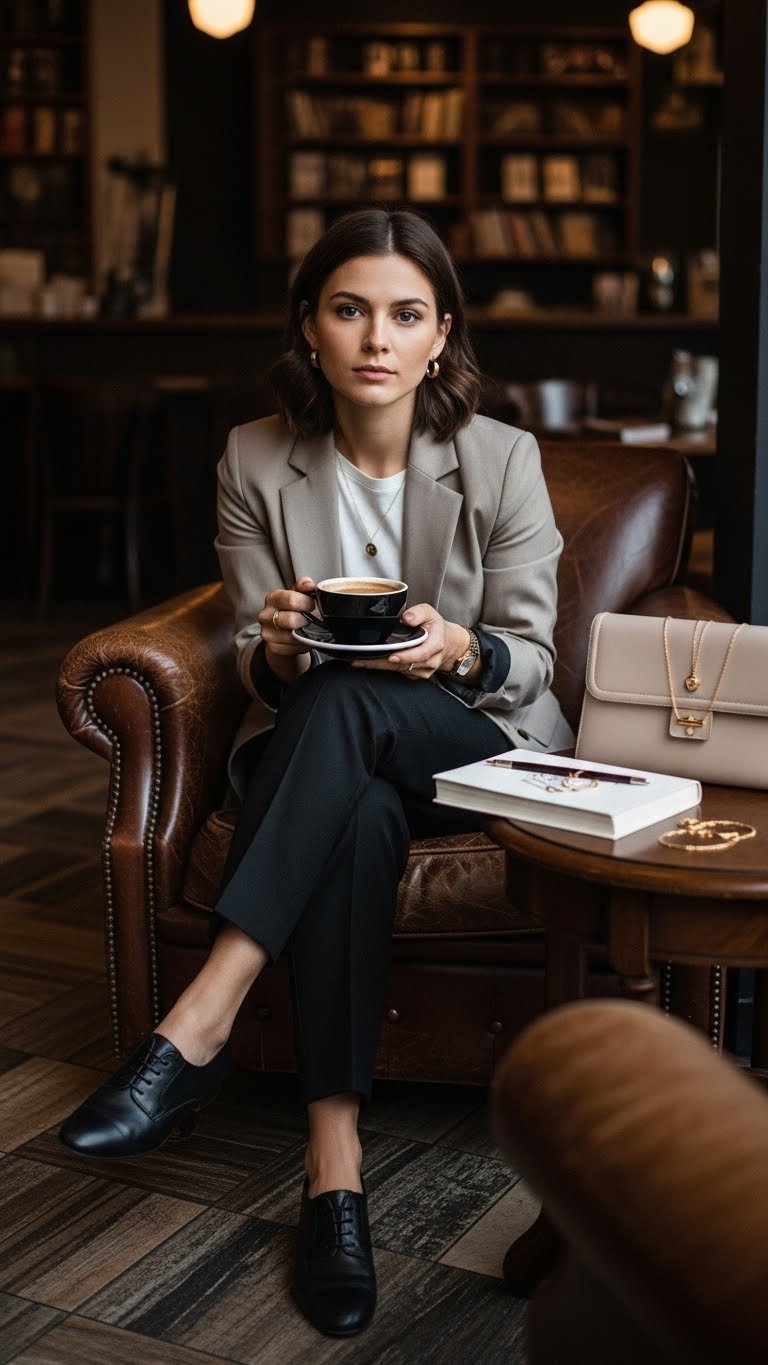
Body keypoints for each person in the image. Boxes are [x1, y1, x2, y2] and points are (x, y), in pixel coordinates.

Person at [58, 207, 573, 1337]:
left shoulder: (500, 458)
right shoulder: (255, 455)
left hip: (478, 747)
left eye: (404, 313)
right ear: (310, 326)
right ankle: (333, 1172)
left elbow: (532, 657)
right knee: (355, 787)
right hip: (339, 752)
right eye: (348, 310)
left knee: (365, 713)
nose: (375, 338)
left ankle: (200, 1021)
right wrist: (281, 648)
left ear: (441, 334)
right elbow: (254, 650)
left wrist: (457, 648)